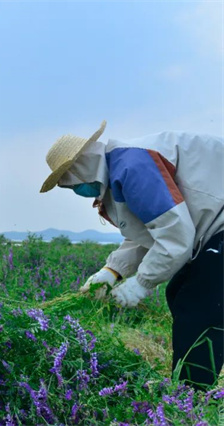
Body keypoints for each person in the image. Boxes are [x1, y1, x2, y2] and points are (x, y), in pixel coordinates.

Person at [40, 120, 223, 390]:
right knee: (181, 292)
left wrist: (142, 283)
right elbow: (149, 232)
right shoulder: (121, 169)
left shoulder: (132, 167)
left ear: (80, 167)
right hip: (213, 225)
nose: (74, 190)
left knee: (198, 301)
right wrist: (112, 271)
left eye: (68, 183)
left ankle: (191, 395)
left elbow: (175, 235)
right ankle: (186, 385)